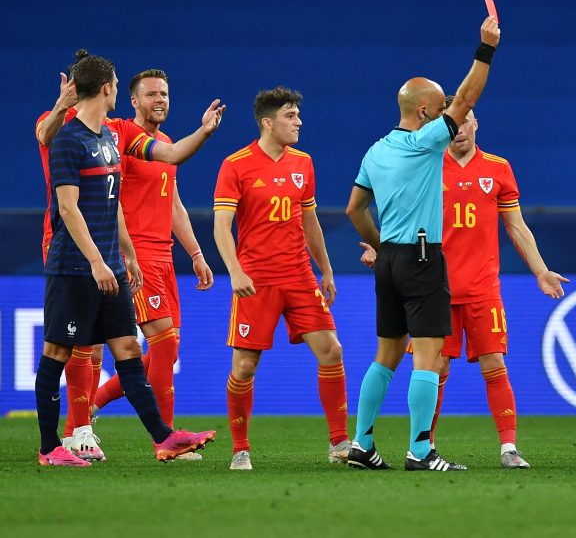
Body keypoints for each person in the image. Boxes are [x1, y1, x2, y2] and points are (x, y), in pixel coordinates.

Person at [35, 51, 225, 462]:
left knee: (125, 348)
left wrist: (127, 254)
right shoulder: (66, 133)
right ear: (109, 90)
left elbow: (121, 196)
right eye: (127, 88)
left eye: (164, 92)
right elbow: (61, 184)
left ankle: (162, 436)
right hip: (71, 253)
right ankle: (67, 436)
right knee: (70, 350)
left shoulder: (112, 135)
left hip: (115, 254)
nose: (158, 98)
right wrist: (62, 104)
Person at [345, 16, 500, 472]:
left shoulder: (375, 151)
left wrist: (378, 246)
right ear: (426, 114)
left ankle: (362, 444)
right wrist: (486, 47)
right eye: (441, 108)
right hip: (421, 256)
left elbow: (354, 209)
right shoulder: (425, 143)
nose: (451, 114)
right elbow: (468, 96)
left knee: (385, 357)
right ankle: (420, 450)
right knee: (428, 358)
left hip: (390, 257)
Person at [423, 99, 568, 468]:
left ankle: (508, 449)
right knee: (435, 368)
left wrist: (541, 271)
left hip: (482, 288)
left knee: (494, 361)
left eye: (465, 121)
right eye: (451, 123)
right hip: (435, 288)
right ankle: (424, 448)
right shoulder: (426, 166)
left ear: (476, 124)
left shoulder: (498, 169)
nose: (459, 130)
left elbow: (516, 227)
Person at [213, 87, 348, 471]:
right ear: (268, 123)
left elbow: (310, 222)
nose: (299, 122)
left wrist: (326, 268)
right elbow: (222, 227)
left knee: (332, 351)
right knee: (244, 367)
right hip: (256, 279)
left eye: (298, 115)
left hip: (299, 275)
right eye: (291, 116)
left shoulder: (304, 162)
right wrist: (235, 270)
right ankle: (240, 448)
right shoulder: (236, 165)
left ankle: (339, 443)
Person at [90, 69, 215, 463]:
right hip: (136, 253)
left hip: (163, 256)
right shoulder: (122, 140)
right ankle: (168, 441)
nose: (159, 99)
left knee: (168, 349)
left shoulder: (162, 144)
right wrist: (125, 253)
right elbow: (112, 203)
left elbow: (174, 204)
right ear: (133, 100)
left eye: (164, 93)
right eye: (151, 94)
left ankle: (91, 404)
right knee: (161, 342)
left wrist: (195, 253)